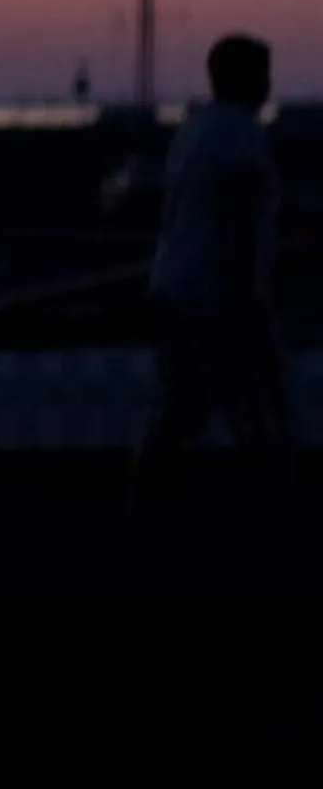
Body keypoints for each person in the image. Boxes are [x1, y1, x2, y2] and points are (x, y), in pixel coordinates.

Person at [129, 34, 293, 547]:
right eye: (263, 74)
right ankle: (276, 521)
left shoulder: (194, 130)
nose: (269, 85)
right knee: (258, 414)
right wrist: (251, 304)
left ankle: (143, 513)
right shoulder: (241, 137)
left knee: (178, 413)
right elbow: (240, 221)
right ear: (248, 79)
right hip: (214, 300)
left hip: (174, 290)